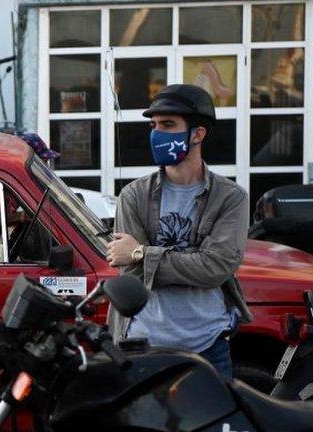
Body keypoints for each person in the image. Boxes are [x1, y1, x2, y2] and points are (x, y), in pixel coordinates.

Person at [106, 84, 251, 378]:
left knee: (214, 425)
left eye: (168, 125)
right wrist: (182, 262)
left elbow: (216, 267)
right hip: (144, 343)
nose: (157, 133)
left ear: (197, 134)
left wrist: (140, 252)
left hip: (208, 346)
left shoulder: (230, 197)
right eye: (154, 125)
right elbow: (131, 275)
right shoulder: (133, 195)